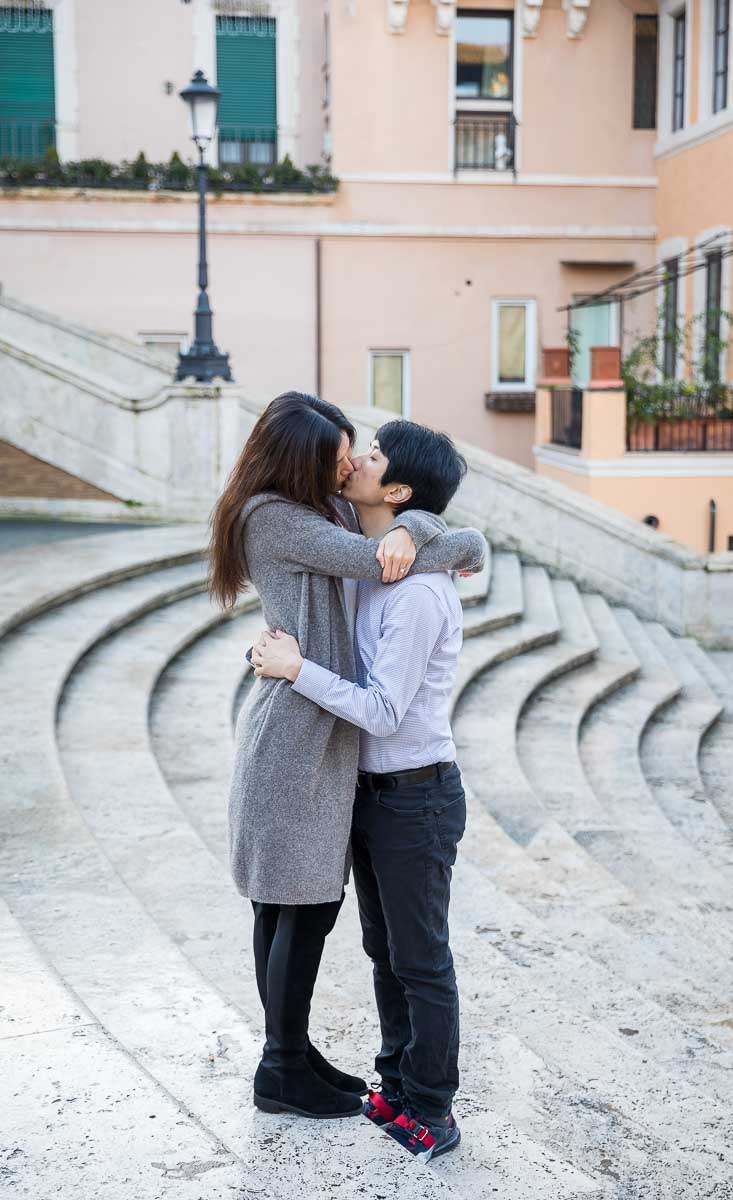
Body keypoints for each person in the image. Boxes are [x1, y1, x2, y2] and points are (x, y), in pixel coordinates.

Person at [207, 392, 485, 1124]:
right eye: (336, 459)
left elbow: (414, 547)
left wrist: (419, 524)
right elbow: (384, 557)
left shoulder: (318, 512)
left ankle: (289, 1053)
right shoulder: (276, 517)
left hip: (330, 734)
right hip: (299, 736)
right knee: (297, 906)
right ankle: (282, 1063)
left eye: (356, 457)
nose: (347, 467)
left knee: (302, 907)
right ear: (301, 461)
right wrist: (434, 532)